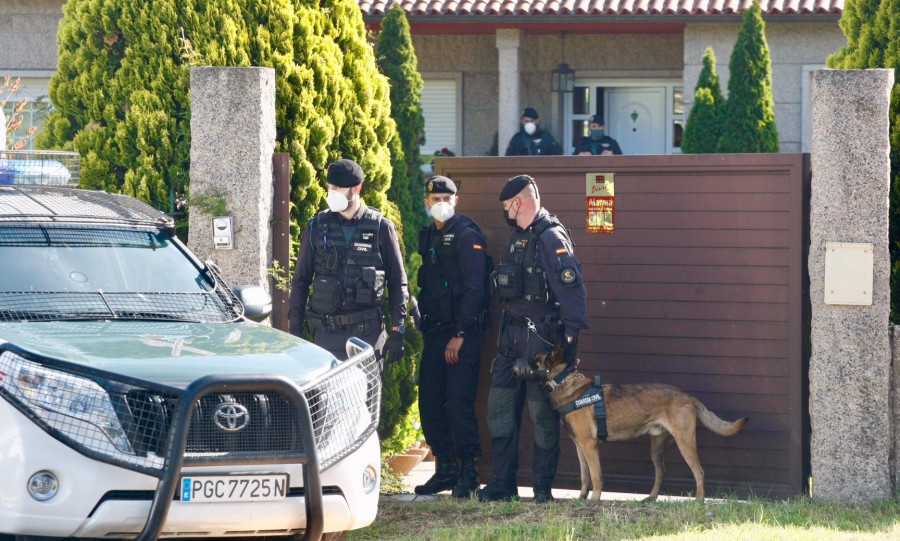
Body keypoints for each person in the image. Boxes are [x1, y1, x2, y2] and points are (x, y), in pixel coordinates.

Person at [475, 174, 588, 503]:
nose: (505, 212)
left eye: (506, 206)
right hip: (510, 340)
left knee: (542, 417)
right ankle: (503, 484)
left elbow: (572, 292)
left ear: (518, 203)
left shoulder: (550, 237)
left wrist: (568, 349)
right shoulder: (516, 236)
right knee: (500, 413)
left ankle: (542, 488)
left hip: (541, 343)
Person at [288, 159, 409, 365]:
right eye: (330, 187)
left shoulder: (381, 228)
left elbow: (398, 282)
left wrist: (397, 331)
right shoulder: (317, 227)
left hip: (367, 334)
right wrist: (295, 329)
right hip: (327, 334)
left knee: (366, 394)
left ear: (357, 188)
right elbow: (301, 280)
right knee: (326, 396)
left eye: (338, 188)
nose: (332, 193)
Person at [413, 176, 490, 498]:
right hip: (435, 332)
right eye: (436, 197)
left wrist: (459, 334)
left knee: (459, 402)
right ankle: (445, 468)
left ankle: (469, 472)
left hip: (463, 334)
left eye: (448, 196)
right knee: (429, 401)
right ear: (427, 202)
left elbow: (475, 290)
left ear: (456, 200)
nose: (442, 202)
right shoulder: (430, 234)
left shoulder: (467, 235)